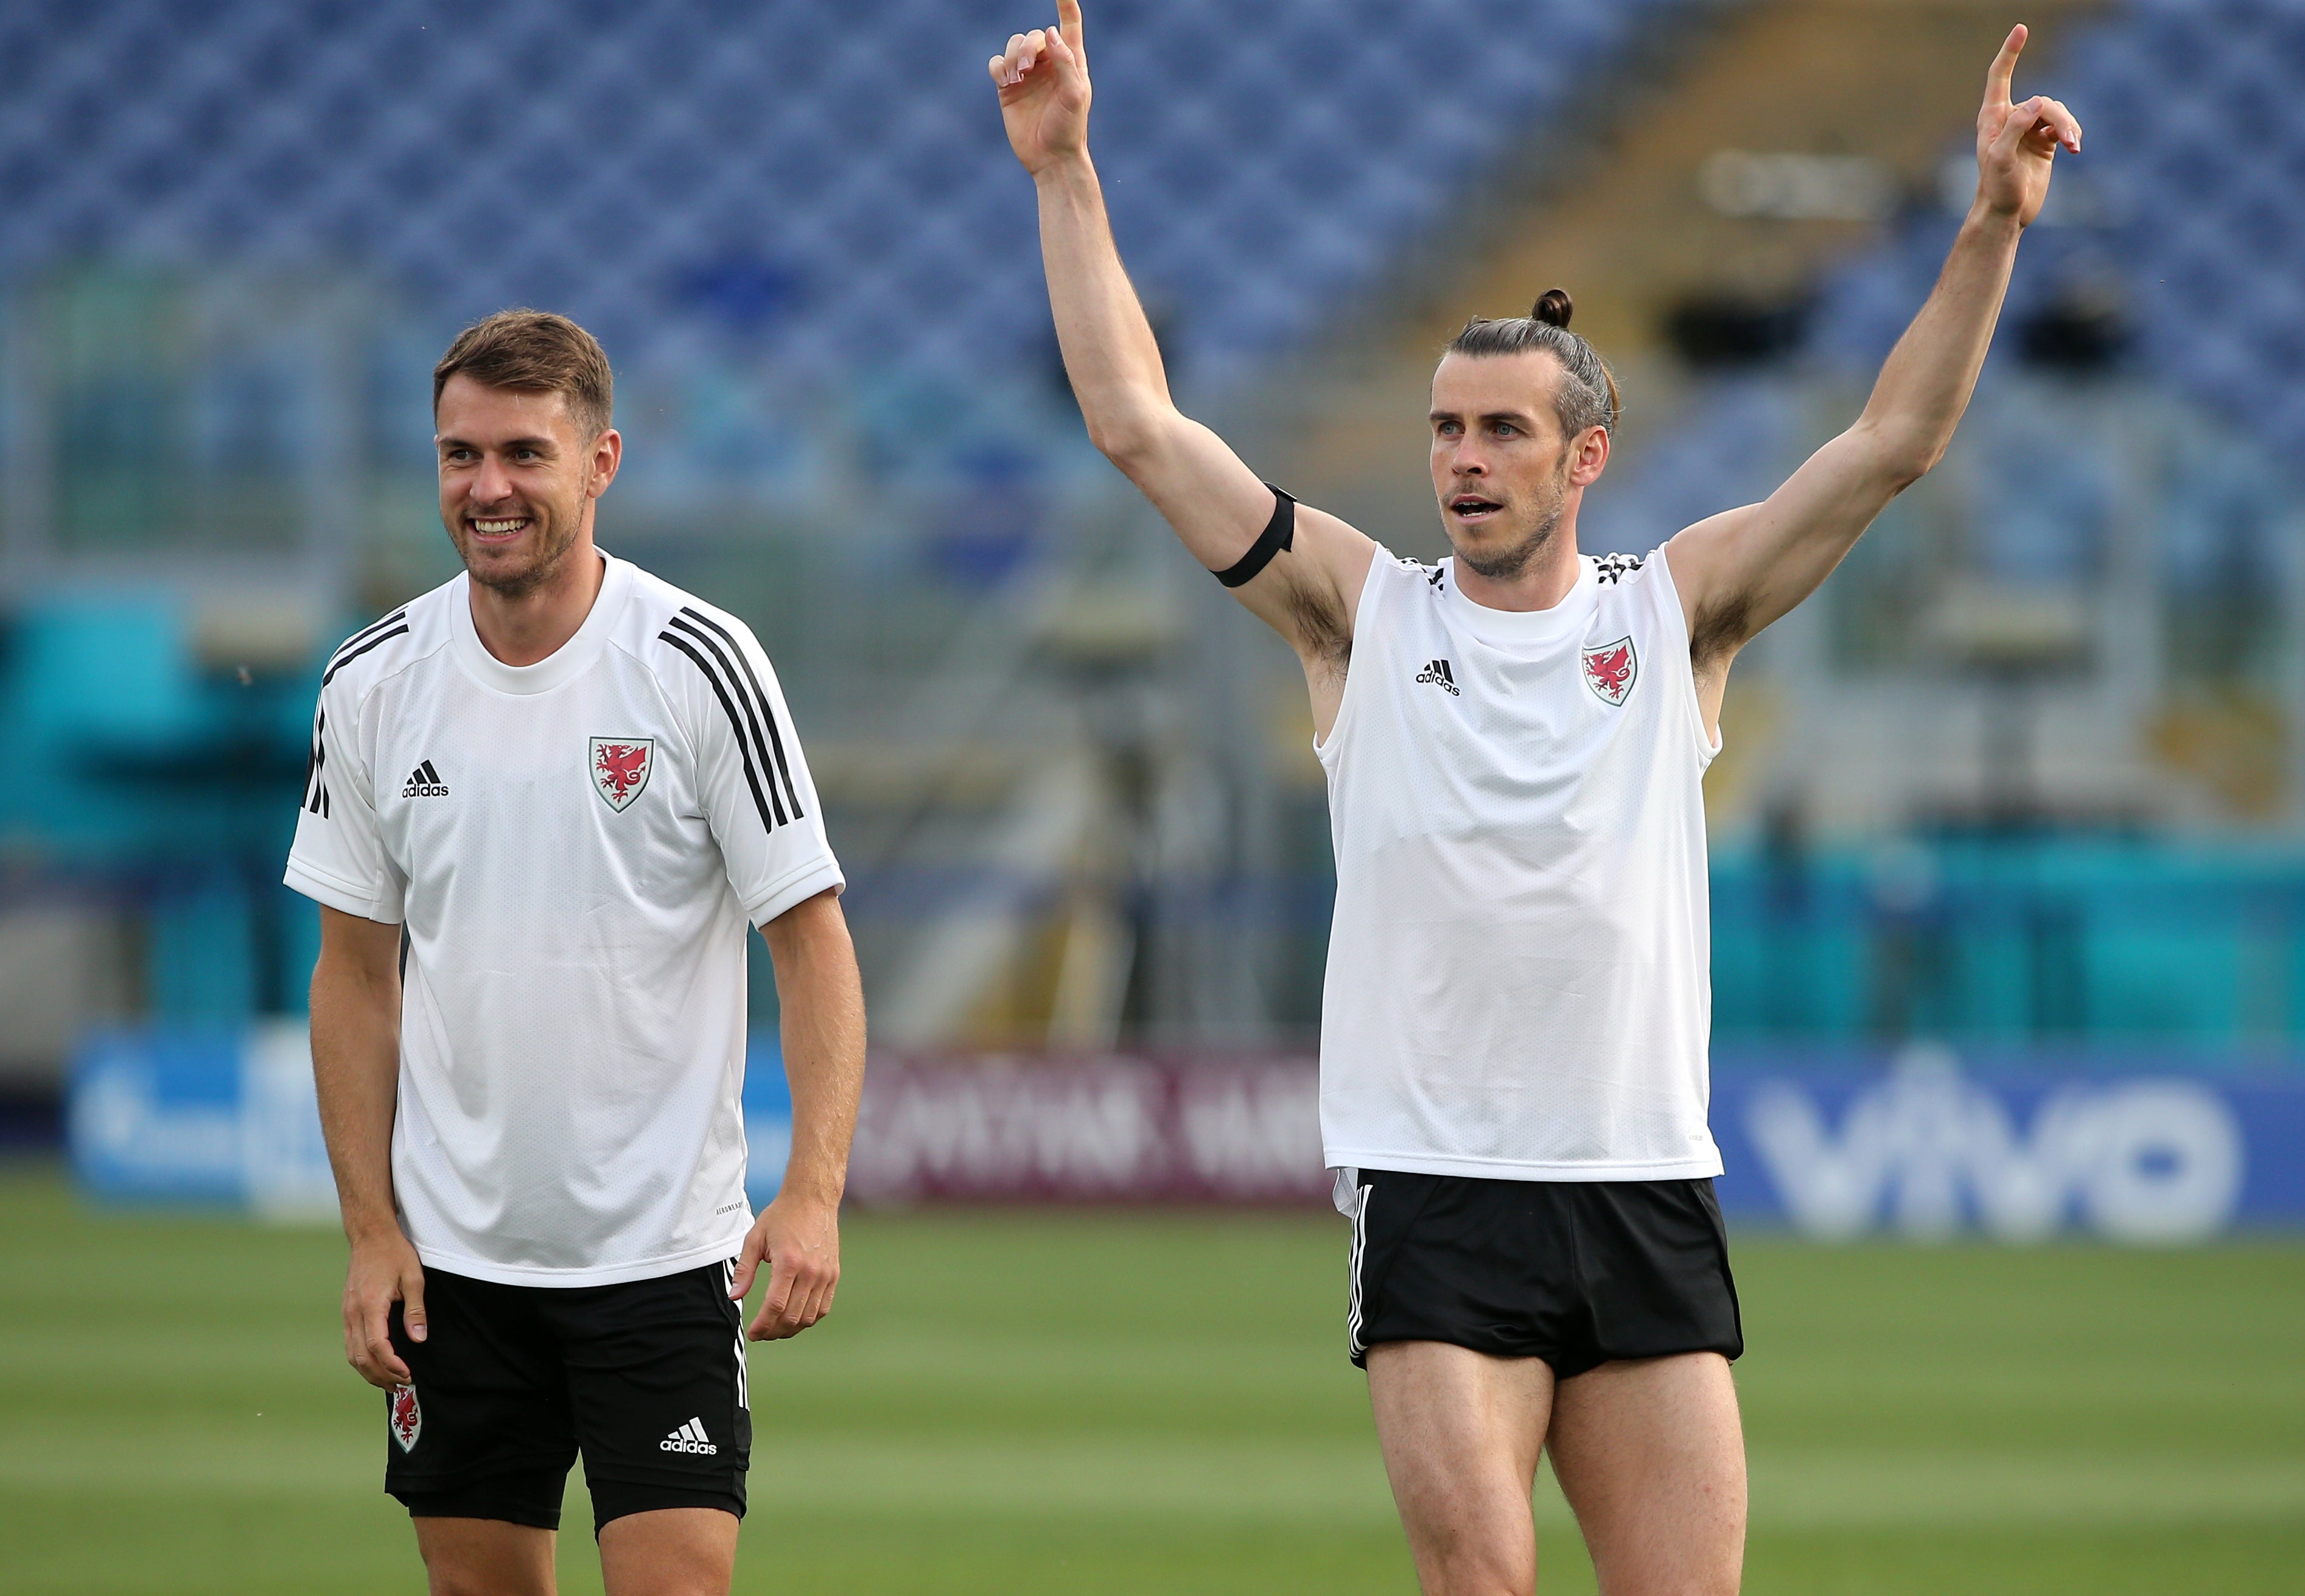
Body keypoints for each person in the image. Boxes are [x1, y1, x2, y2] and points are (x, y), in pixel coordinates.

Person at [992, 9, 2077, 1592]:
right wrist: (1067, 168)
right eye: (1444, 427)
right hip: (1436, 1181)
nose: (1462, 457)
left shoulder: (1674, 608)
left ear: (1586, 456)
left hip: (1639, 1172)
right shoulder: (1360, 611)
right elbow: (1138, 425)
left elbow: (1892, 440)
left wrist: (1985, 223)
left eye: (1502, 428)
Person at [290, 309, 866, 1596]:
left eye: (522, 455)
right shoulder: (373, 682)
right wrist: (370, 1230)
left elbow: (812, 942)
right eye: (459, 455)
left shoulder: (701, 666)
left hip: (660, 1260)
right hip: (455, 1269)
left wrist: (815, 1189)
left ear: (601, 462)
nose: (487, 487)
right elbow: (353, 973)